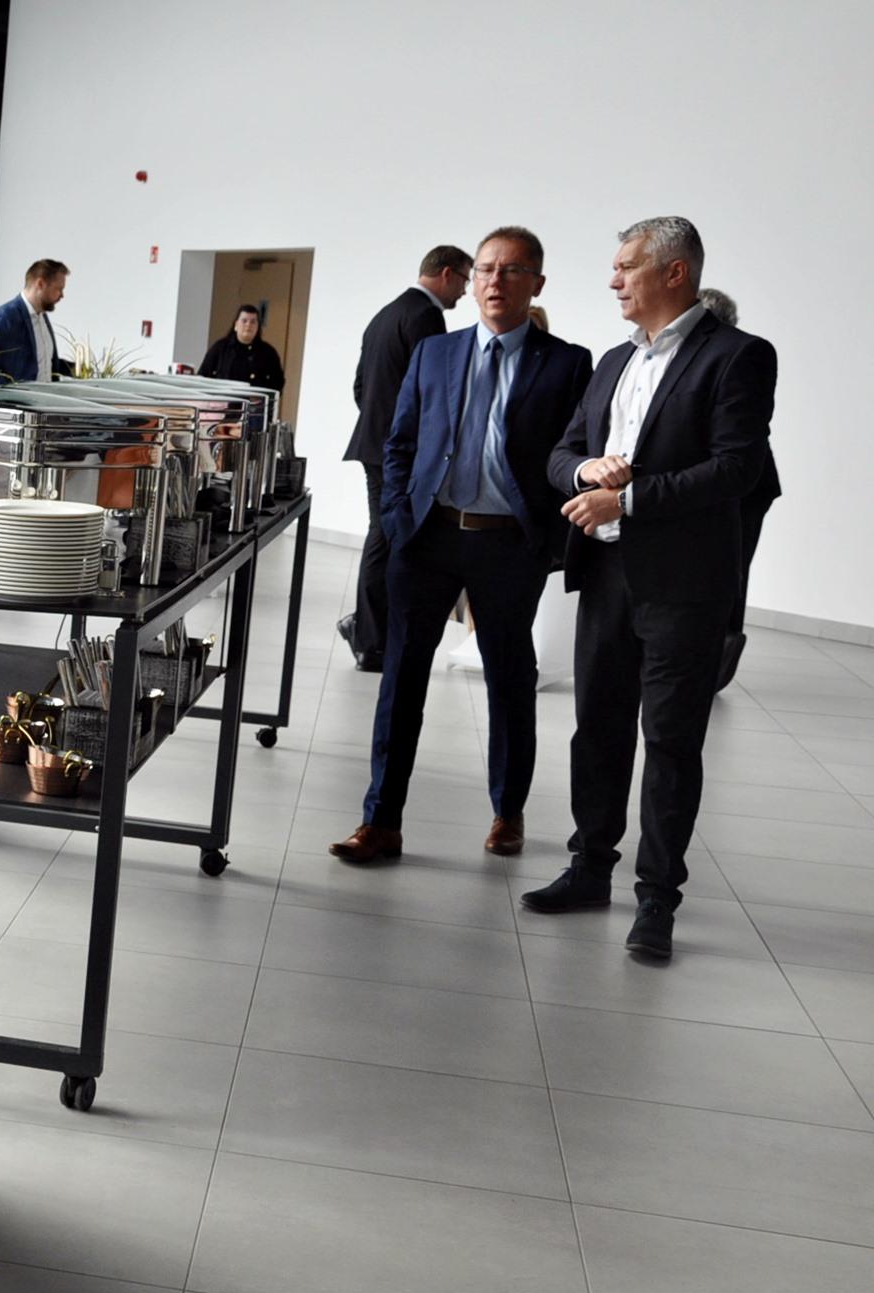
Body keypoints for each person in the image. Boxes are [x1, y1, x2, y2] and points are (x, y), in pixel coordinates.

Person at [524, 217, 779, 960]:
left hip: (683, 586)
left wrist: (628, 500)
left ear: (675, 272)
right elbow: (562, 452)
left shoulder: (738, 355)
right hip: (605, 575)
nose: (613, 280)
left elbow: (737, 468)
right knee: (597, 728)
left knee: (669, 742)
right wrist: (586, 471)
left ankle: (657, 898)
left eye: (627, 266)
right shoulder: (613, 360)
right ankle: (588, 868)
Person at [328, 227, 592, 865]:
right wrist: (398, 521)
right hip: (429, 538)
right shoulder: (435, 353)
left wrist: (546, 540)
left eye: (512, 270)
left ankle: (508, 812)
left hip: (508, 545)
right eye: (486, 269)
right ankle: (380, 821)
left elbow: (570, 454)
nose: (496, 280)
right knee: (401, 681)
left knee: (510, 681)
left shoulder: (566, 363)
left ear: (537, 284)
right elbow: (400, 442)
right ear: (471, 282)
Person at [340, 245, 473, 671]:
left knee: (383, 535)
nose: (465, 291)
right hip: (398, 451)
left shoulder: (386, 313)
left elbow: (360, 387)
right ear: (447, 273)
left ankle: (367, 631)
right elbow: (431, 391)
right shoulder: (425, 316)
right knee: (388, 537)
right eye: (465, 280)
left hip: (376, 443)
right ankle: (370, 638)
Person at [697, 287, 782, 690]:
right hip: (722, 485)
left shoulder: (740, 356)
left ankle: (718, 660)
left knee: (732, 573)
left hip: (746, 489)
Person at [0, 260, 72, 384]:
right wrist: (2, 387)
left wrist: (77, 368)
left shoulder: (42, 316)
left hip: (46, 396)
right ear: (40, 284)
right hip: (20, 397)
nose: (62, 295)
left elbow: (42, 363)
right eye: (59, 289)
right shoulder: (7, 316)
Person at [198, 304, 287, 390]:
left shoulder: (268, 352)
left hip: (254, 399)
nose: (248, 325)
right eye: (244, 321)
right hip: (223, 399)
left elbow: (278, 382)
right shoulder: (220, 348)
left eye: (253, 322)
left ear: (258, 327)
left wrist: (262, 396)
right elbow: (203, 376)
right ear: (236, 325)